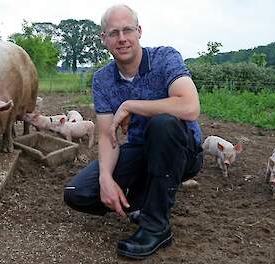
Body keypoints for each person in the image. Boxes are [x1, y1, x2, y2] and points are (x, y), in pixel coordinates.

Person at [63, 4, 204, 260]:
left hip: (183, 151)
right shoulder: (103, 79)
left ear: (139, 31)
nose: (122, 38)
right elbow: (107, 135)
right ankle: (141, 201)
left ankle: (156, 226)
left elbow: (190, 106)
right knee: (78, 194)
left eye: (128, 30)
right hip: (142, 151)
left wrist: (131, 105)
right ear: (103, 39)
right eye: (114, 32)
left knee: (163, 123)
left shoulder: (164, 58)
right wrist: (106, 178)